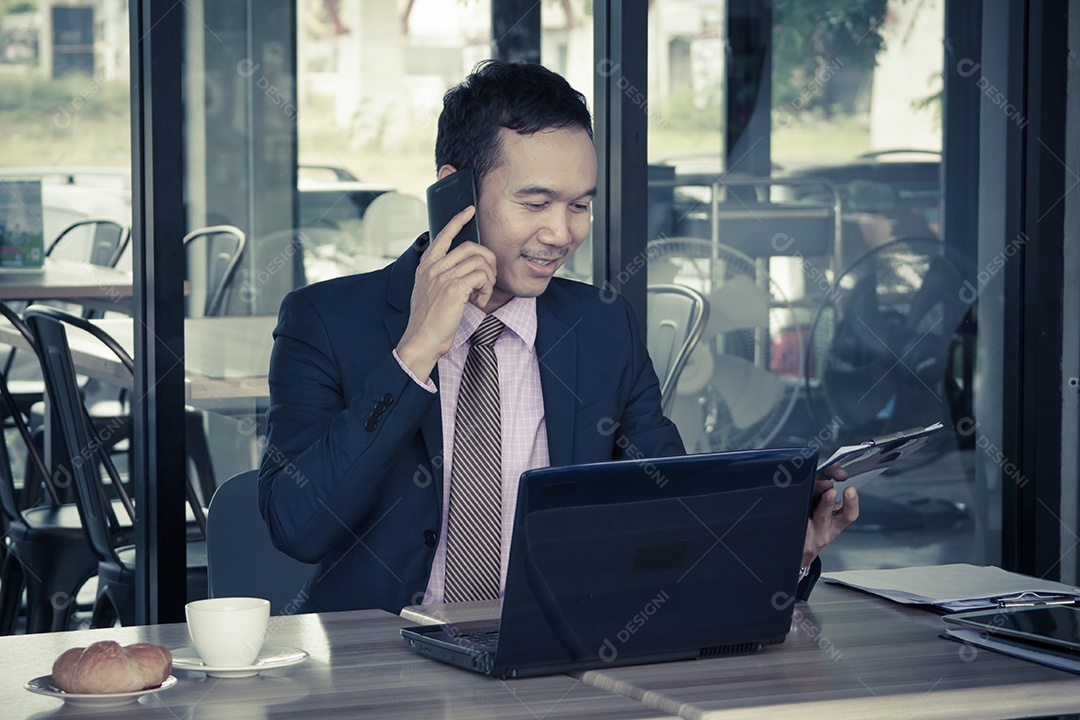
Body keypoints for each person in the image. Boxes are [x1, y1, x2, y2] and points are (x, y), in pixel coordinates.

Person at [258, 60, 858, 615]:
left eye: (579, 206)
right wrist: (414, 354)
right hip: (380, 662)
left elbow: (672, 516)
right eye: (536, 202)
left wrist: (784, 546)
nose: (561, 233)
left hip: (556, 653)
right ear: (454, 192)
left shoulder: (603, 328)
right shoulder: (326, 321)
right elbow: (298, 528)